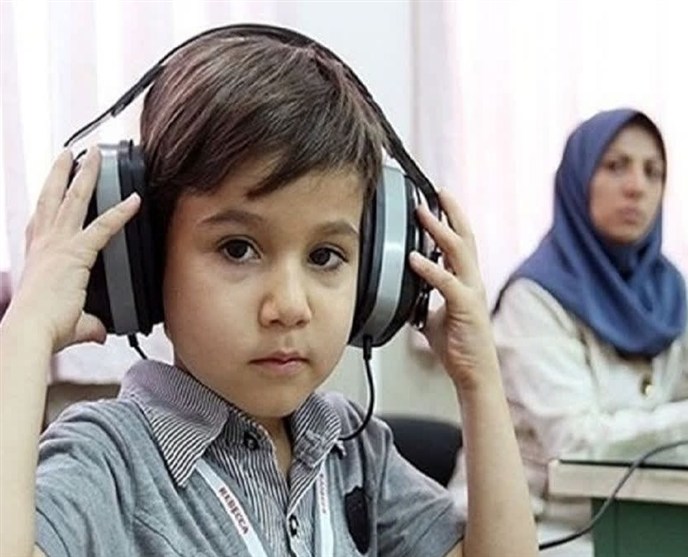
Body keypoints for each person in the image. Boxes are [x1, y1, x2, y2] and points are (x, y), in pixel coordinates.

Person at [0, 27, 537, 557]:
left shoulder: (351, 451)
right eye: (238, 249)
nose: (289, 307)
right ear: (146, 259)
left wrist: (479, 378)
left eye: (324, 256)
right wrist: (26, 333)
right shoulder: (109, 462)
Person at [448, 107, 688, 540]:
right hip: (535, 528)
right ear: (579, 180)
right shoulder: (534, 298)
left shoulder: (665, 291)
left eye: (653, 172)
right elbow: (575, 442)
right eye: (616, 166)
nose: (637, 186)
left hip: (635, 517)